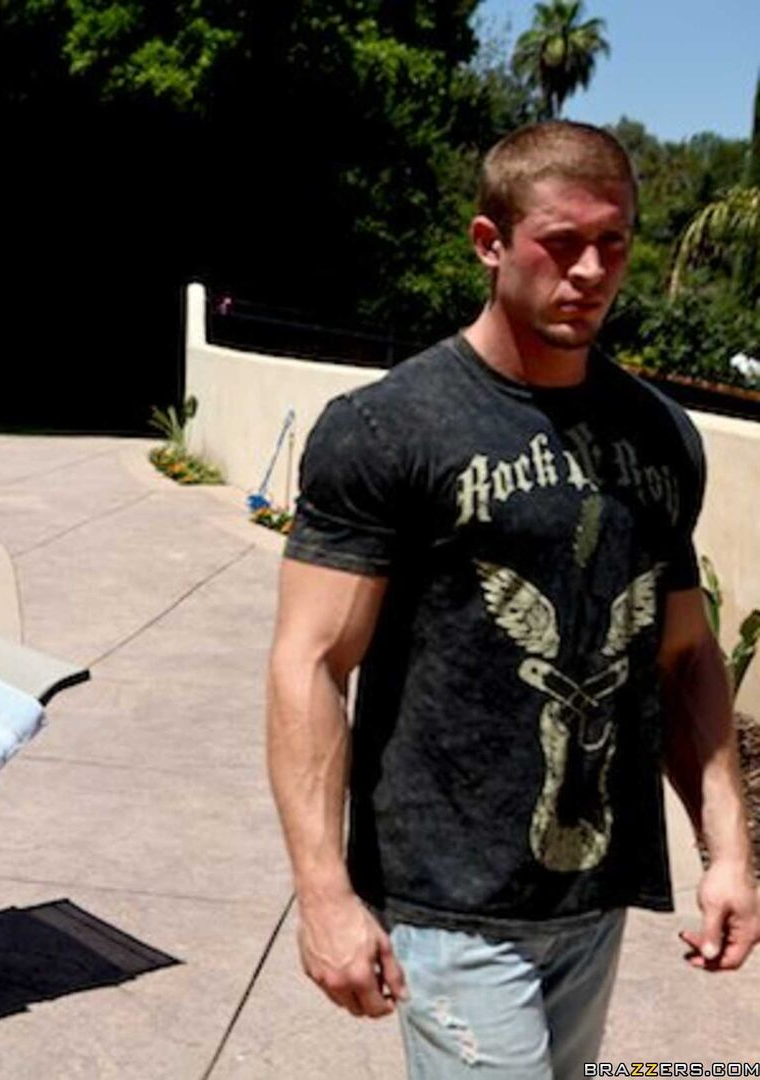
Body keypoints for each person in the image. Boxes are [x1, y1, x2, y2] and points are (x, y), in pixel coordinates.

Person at [267, 120, 759, 1077]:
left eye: (612, 243)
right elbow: (312, 661)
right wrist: (322, 893)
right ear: (489, 243)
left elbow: (685, 654)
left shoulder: (659, 436)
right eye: (560, 243)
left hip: (592, 898)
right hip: (448, 902)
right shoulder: (387, 428)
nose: (590, 271)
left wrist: (727, 851)